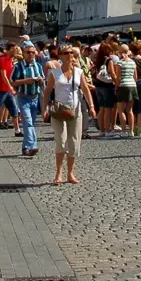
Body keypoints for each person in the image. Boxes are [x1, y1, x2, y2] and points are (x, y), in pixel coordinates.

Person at [42, 45, 96, 185]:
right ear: (60, 56)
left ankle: (70, 173)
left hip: (75, 110)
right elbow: (47, 91)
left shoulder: (79, 72)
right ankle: (58, 173)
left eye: (71, 53)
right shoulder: (54, 73)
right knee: (61, 140)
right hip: (59, 110)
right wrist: (44, 108)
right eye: (66, 53)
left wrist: (91, 106)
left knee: (74, 142)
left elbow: (85, 89)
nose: (69, 55)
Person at [11, 44, 44, 155]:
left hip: (35, 98)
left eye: (32, 52)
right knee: (28, 122)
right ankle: (32, 146)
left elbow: (43, 80)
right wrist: (26, 80)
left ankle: (25, 148)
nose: (31, 54)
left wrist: (40, 81)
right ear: (24, 54)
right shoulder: (18, 66)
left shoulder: (38, 66)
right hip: (23, 97)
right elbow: (13, 82)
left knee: (30, 124)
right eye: (28, 52)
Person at [0, 42, 21, 136]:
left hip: (7, 90)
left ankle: (17, 130)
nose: (16, 51)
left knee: (14, 109)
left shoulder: (10, 59)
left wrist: (10, 87)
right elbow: (3, 75)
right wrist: (10, 86)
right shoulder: (2, 59)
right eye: (15, 49)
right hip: (1, 89)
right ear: (10, 49)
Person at [111, 44, 137, 138]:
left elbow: (118, 77)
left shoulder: (120, 63)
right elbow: (135, 76)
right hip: (132, 85)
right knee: (130, 110)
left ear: (120, 52)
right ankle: (131, 131)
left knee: (121, 110)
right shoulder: (133, 62)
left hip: (123, 86)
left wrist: (116, 87)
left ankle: (123, 131)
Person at [94, 41, 116, 137]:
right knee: (108, 109)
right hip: (107, 86)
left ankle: (102, 130)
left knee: (101, 109)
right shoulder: (108, 60)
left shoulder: (98, 60)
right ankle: (107, 130)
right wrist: (117, 82)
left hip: (98, 86)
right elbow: (112, 72)